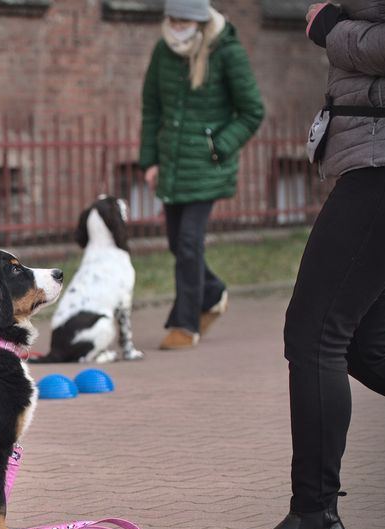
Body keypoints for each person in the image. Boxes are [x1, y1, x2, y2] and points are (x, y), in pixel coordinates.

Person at [225, 0, 385, 529]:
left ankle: (315, 520)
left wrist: (331, 27)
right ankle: (315, 520)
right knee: (368, 344)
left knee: (315, 333)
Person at [139, 0, 265, 350]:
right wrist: (150, 161)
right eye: (172, 19)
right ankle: (213, 292)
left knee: (189, 242)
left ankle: (186, 324)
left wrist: (218, 146)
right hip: (172, 163)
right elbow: (152, 109)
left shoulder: (227, 52)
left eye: (184, 20)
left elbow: (252, 111)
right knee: (176, 242)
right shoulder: (163, 51)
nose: (176, 26)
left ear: (199, 20)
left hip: (207, 166)